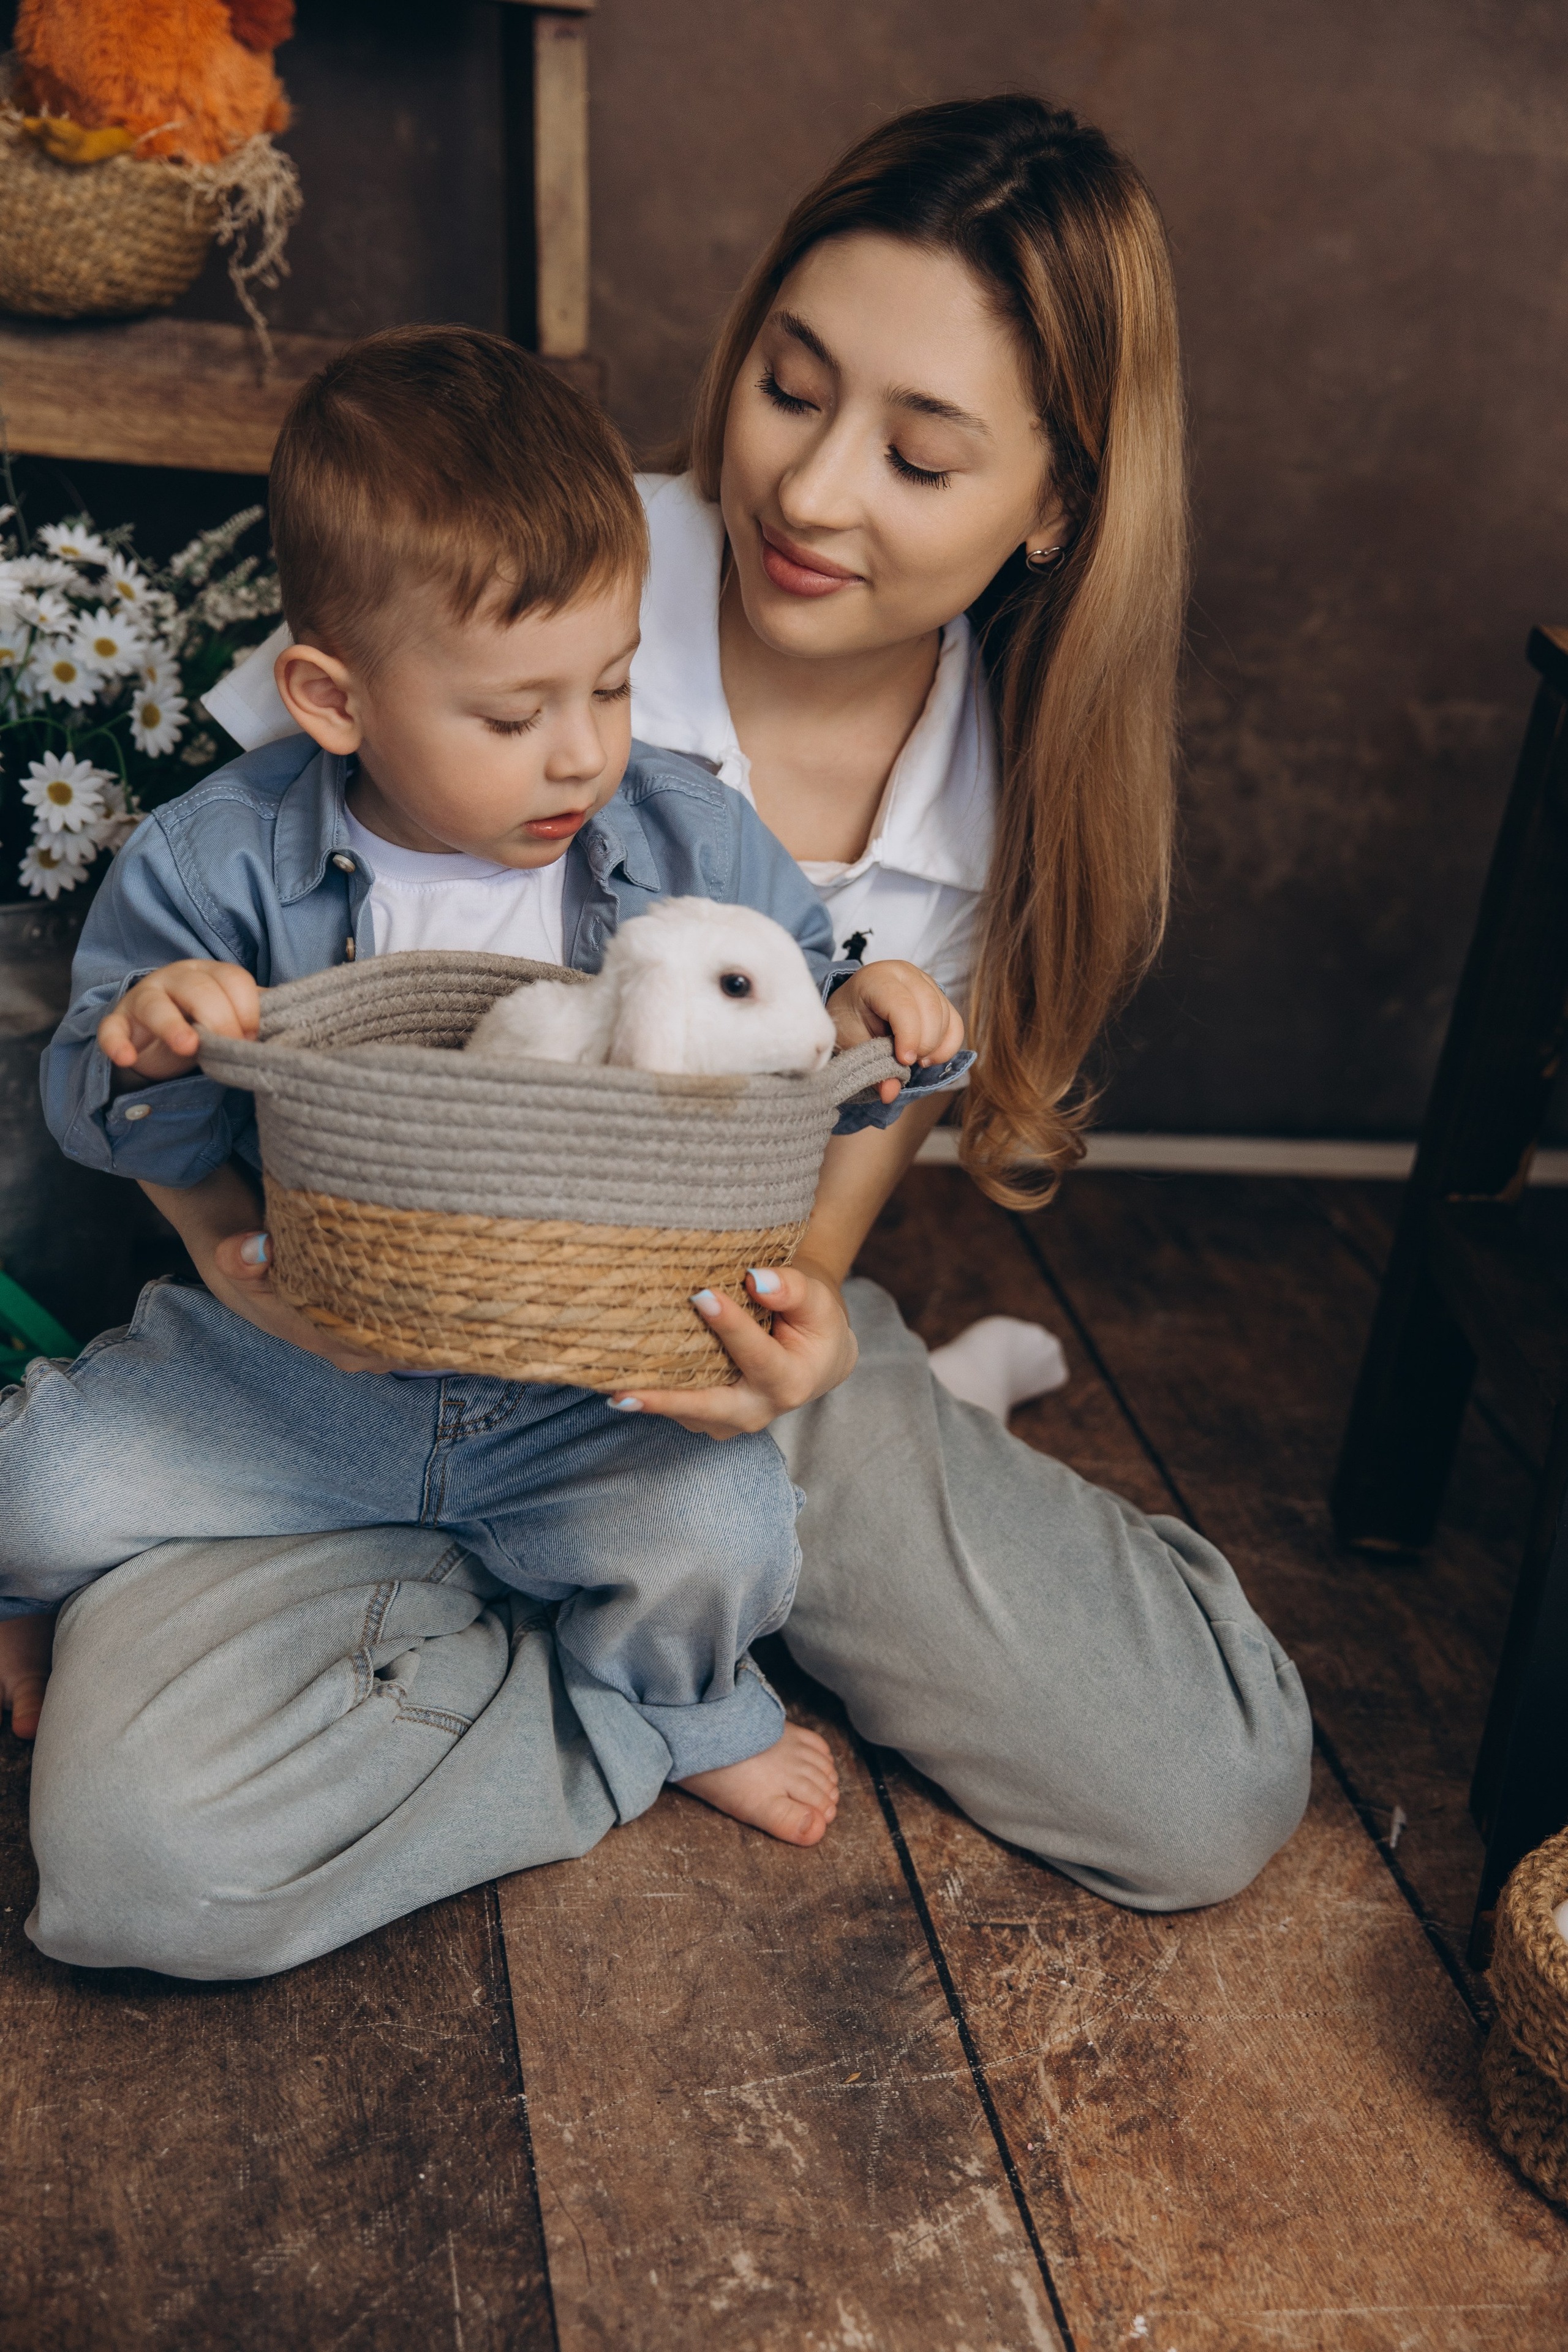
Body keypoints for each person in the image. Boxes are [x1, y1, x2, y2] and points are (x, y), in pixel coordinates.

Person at [6, 96, 1312, 1980]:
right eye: (790, 387)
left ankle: (625, 1642)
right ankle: (632, 1675)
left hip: (704, 1349)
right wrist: (213, 1259)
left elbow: (822, 1221)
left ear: (1054, 507)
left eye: (919, 456)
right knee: (135, 1874)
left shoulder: (999, 788)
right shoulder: (495, 547)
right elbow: (197, 987)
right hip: (336, 1345)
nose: (813, 493)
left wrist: (782, 1355)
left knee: (1205, 1788)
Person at [0, 323, 971, 1880]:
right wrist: (153, 1047)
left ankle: (671, 1703)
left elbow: (793, 1025)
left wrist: (877, 1024)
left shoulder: (681, 832)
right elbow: (97, 1107)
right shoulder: (214, 861)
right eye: (513, 718)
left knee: (721, 1533)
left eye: (612, 684)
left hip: (585, 1388)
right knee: (34, 1489)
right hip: (301, 1359)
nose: (579, 754)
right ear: (332, 700)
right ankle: (52, 1592)